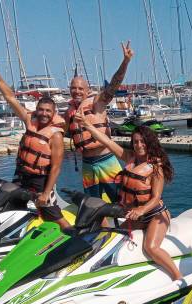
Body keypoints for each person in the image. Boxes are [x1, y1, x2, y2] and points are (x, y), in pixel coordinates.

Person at [74, 108, 182, 281]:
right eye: (136, 142)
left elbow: (156, 198)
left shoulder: (156, 168)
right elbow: (107, 142)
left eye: (142, 142)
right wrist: (87, 125)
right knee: (113, 238)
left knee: (151, 247)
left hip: (156, 215)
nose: (139, 145)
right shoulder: (130, 158)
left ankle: (178, 278)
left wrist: (141, 210)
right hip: (136, 216)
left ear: (149, 143)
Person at [0, 60, 70, 230]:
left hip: (40, 181)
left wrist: (46, 193)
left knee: (52, 214)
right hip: (21, 175)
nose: (44, 113)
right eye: (41, 109)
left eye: (48, 111)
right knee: (14, 208)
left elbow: (56, 168)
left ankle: (72, 235)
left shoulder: (55, 136)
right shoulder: (29, 120)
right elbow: (9, 97)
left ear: (53, 113)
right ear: (37, 110)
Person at [64, 41, 134, 201]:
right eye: (73, 88)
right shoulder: (69, 113)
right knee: (92, 204)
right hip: (87, 165)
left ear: (87, 90)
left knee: (120, 199)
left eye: (80, 88)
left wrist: (125, 62)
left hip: (107, 161)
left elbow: (113, 85)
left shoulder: (97, 103)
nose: (77, 91)